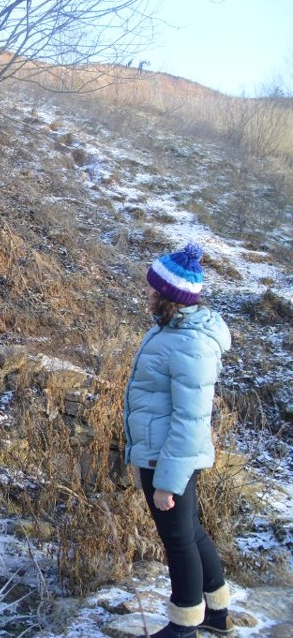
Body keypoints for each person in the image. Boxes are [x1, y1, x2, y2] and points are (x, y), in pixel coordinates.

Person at [124, 242, 235, 637]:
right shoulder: (175, 331)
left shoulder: (189, 344)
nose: (146, 294)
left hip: (168, 458)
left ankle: (185, 621)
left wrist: (168, 481)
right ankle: (218, 613)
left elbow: (190, 421)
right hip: (163, 452)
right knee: (190, 530)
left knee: (177, 540)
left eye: (152, 290)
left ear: (167, 297)